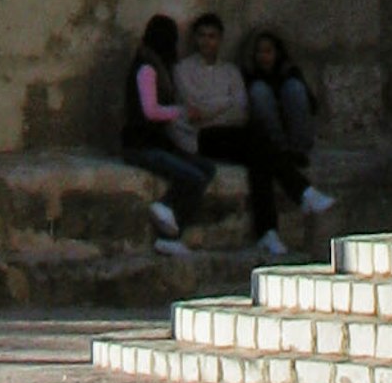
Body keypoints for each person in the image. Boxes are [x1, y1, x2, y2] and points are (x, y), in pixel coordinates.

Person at [238, 23, 334, 242]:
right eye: (259, 52)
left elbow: (309, 104)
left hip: (295, 137)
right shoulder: (250, 78)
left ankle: (295, 156)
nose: (264, 57)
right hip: (269, 141)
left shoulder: (288, 73)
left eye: (268, 51)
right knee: (259, 93)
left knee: (294, 88)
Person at [173, 14, 263, 238]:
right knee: (260, 152)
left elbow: (241, 110)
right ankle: (300, 194)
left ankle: (268, 230)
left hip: (231, 133)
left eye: (212, 36)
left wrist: (211, 109)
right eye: (202, 36)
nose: (206, 41)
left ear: (220, 39)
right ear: (194, 38)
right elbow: (194, 109)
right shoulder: (183, 70)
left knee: (260, 154)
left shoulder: (231, 71)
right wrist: (225, 103)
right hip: (203, 137)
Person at [120, 12, 206, 238]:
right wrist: (182, 112)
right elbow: (150, 110)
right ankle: (168, 220)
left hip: (156, 142)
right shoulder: (147, 68)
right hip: (140, 145)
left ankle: (171, 219)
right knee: (194, 179)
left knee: (206, 169)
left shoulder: (157, 67)